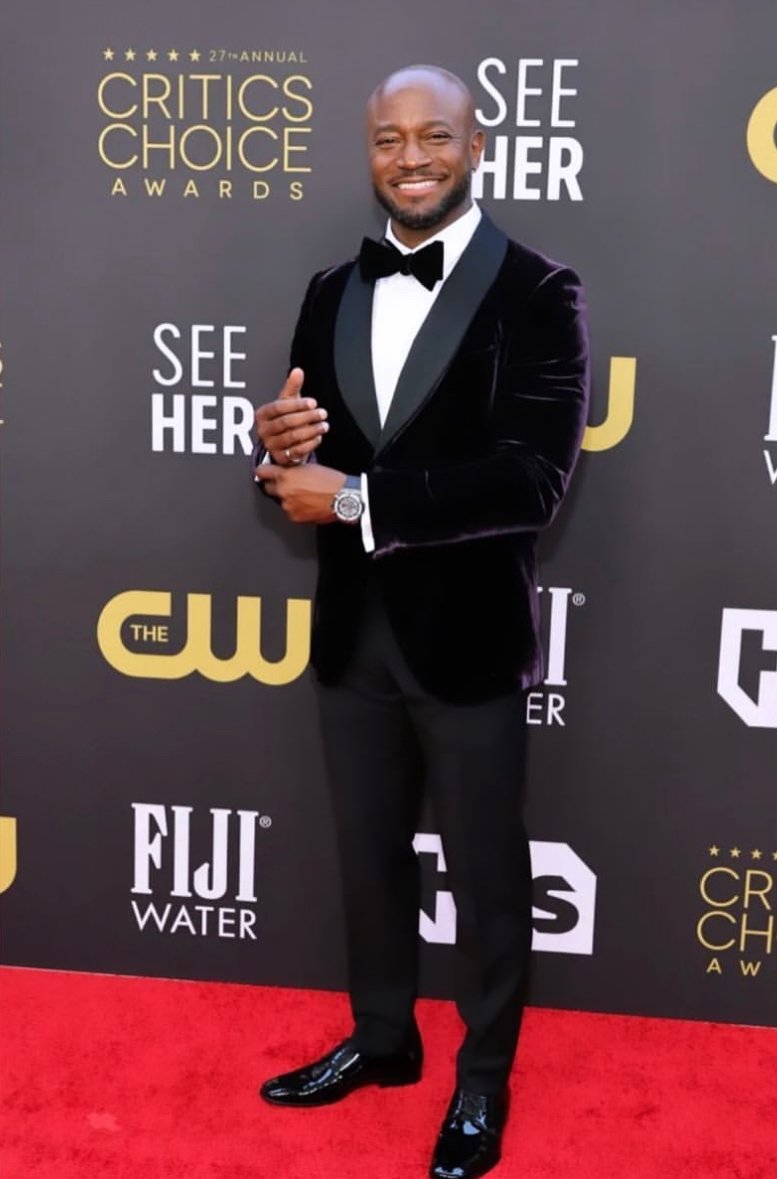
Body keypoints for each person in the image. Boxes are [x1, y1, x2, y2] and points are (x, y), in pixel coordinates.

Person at [253, 63, 589, 1179]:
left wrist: (353, 498)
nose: (410, 158)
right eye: (388, 140)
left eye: (433, 136)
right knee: (368, 860)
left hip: (468, 642)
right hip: (352, 635)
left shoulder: (540, 291)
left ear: (477, 145)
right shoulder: (327, 288)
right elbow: (303, 455)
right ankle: (384, 1041)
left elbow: (531, 483)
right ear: (369, 152)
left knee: (491, 879)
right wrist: (278, 457)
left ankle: (482, 1084)